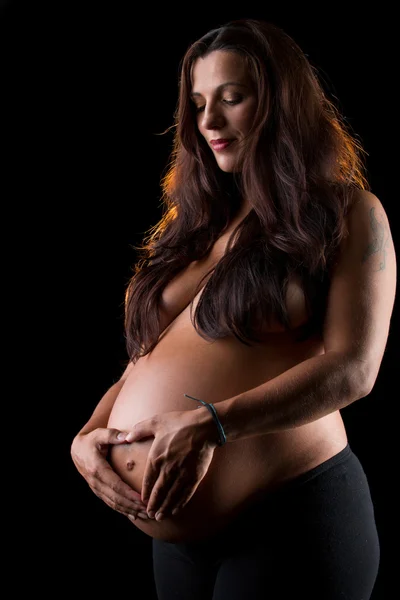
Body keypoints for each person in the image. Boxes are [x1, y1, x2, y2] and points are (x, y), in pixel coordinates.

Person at [71, 18, 396, 599]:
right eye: (197, 105)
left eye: (232, 98)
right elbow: (145, 363)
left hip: (292, 518)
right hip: (176, 546)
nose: (209, 123)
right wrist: (88, 436)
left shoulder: (348, 214)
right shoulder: (193, 228)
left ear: (281, 103)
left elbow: (354, 367)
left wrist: (212, 425)